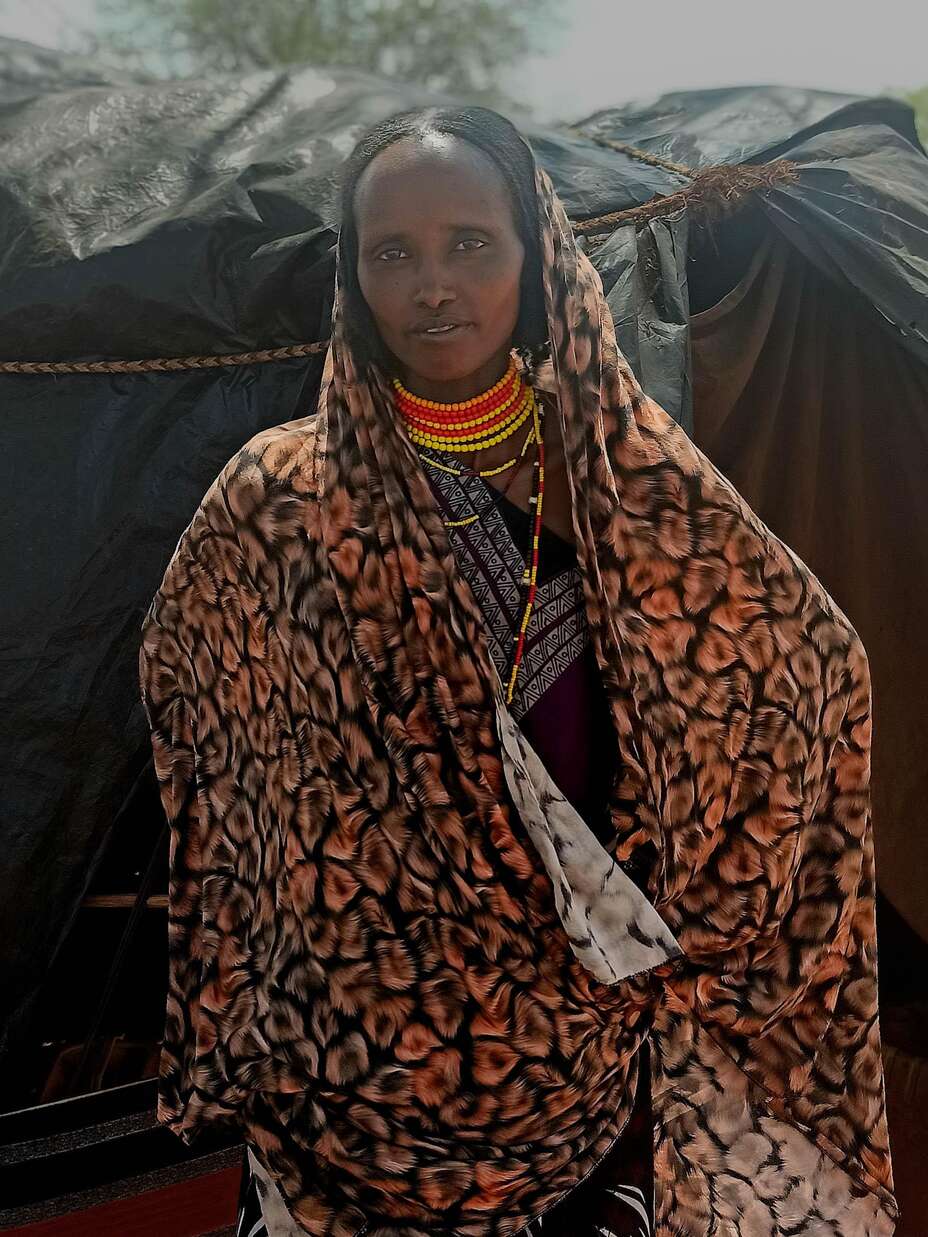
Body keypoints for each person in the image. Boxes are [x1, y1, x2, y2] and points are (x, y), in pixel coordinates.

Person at [139, 107, 898, 1237]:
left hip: (575, 1053)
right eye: (392, 252)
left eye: (469, 243)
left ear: (535, 255)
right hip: (349, 1079)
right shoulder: (276, 500)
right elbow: (202, 726)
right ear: (353, 276)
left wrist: (692, 905)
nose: (432, 285)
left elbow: (810, 664)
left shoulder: (625, 480)